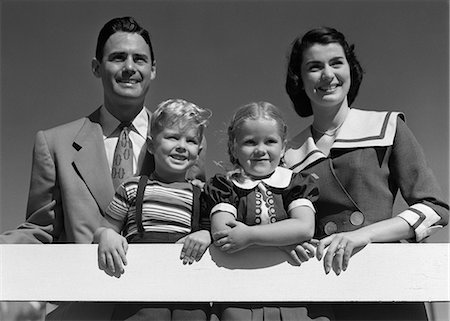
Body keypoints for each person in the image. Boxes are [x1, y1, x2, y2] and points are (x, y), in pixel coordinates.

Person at [0, 16, 205, 320]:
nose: (129, 67)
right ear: (97, 67)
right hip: (84, 310)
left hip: (162, 307)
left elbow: (200, 219)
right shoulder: (54, 143)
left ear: (153, 69)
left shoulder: (185, 145)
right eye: (117, 57)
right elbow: (39, 230)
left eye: (140, 59)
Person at [283, 26, 449, 321]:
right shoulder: (287, 155)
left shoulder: (388, 127)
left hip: (387, 285)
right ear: (300, 79)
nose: (327, 75)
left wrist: (364, 235)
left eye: (336, 63)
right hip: (320, 293)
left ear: (350, 69)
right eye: (314, 67)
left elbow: (435, 209)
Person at [205, 102, 332, 321]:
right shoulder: (225, 186)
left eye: (270, 141)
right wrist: (283, 240)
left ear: (283, 147)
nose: (261, 149)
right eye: (249, 142)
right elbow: (224, 233)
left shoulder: (294, 183)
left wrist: (251, 236)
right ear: (234, 148)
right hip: (239, 296)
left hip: (293, 295)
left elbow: (304, 227)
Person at [94, 98, 212, 321]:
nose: (181, 146)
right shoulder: (132, 188)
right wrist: (108, 235)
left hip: (188, 295)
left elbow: (215, 233)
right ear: (151, 145)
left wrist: (206, 235)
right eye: (172, 137)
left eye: (190, 140)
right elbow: (104, 229)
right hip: (139, 293)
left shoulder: (203, 194)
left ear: (199, 150)